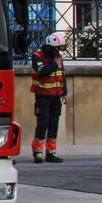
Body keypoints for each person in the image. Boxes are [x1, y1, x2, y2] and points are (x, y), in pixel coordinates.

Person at [30, 31, 67, 163]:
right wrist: (54, 64)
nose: (58, 51)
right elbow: (42, 71)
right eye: (57, 48)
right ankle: (37, 151)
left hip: (56, 96)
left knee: (53, 125)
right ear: (51, 47)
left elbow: (62, 76)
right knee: (43, 123)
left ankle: (51, 152)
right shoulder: (37, 56)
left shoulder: (57, 57)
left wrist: (64, 93)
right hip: (42, 96)